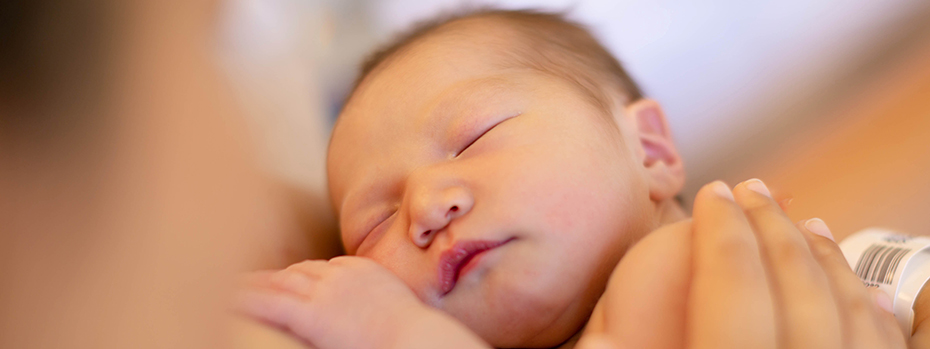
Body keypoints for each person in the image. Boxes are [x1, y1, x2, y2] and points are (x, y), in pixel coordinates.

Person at [234, 9, 928, 349]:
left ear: (650, 147)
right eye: (374, 223)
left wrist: (395, 332)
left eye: (475, 136)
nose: (426, 205)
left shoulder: (713, 252)